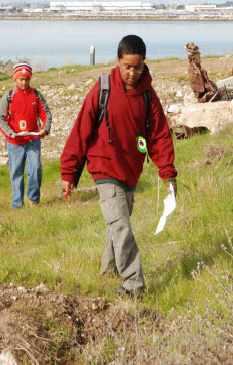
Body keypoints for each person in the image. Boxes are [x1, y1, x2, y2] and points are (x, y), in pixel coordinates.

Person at [60, 35, 177, 297]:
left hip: (130, 171)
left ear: (144, 63)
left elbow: (159, 137)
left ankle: (109, 269)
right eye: (127, 67)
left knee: (118, 223)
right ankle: (133, 284)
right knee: (121, 225)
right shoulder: (102, 89)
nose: (132, 73)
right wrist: (68, 172)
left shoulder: (148, 96)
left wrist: (168, 175)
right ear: (117, 61)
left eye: (137, 67)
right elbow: (80, 131)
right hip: (104, 169)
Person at [0, 61, 52, 210]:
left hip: (33, 139)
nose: (24, 82)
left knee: (36, 168)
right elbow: (0, 119)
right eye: (21, 79)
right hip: (14, 142)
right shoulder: (9, 96)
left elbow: (46, 114)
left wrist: (45, 129)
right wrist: (9, 133)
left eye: (27, 79)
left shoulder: (36, 95)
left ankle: (34, 199)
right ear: (15, 79)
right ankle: (17, 205)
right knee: (16, 173)